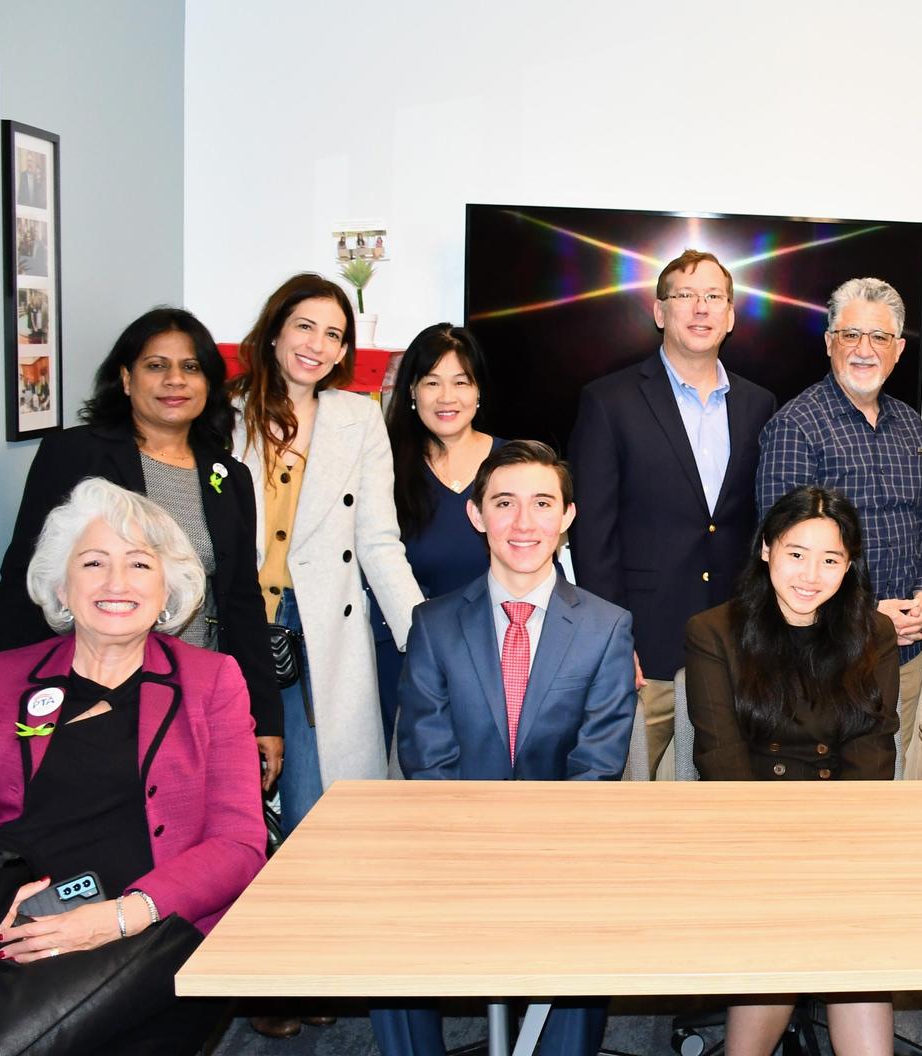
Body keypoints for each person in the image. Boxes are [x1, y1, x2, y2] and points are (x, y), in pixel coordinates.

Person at [0, 479, 264, 1050]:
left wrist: (118, 916)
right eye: (93, 562)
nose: (116, 583)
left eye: (139, 564)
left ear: (168, 590)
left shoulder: (211, 682)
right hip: (12, 924)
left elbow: (239, 845)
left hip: (148, 928)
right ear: (62, 586)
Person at [376, 441, 634, 1056]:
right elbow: (426, 758)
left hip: (564, 845)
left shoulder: (606, 626)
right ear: (476, 514)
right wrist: (478, 854)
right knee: (385, 923)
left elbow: (597, 765)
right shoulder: (434, 623)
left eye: (543, 504)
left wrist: (537, 855)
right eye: (504, 503)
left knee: (585, 908)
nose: (524, 524)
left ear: (568, 516)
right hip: (451, 842)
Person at [231, 273, 423, 1035]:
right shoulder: (225, 414)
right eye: (304, 327)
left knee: (318, 809)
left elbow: (378, 539)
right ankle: (260, 978)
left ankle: (314, 962)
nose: (317, 345)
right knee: (240, 809)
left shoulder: (356, 418)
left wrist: (423, 633)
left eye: (334, 335)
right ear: (274, 331)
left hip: (323, 637)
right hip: (235, 636)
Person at [0, 307, 284, 792]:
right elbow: (25, 578)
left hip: (196, 692)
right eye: (155, 365)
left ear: (209, 383)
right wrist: (5, 696)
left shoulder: (229, 476)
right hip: (88, 685)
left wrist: (263, 714)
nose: (174, 380)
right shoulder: (75, 454)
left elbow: (243, 601)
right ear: (125, 379)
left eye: (191, 367)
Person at [684, 485, 897, 1056]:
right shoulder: (715, 631)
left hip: (845, 829)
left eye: (831, 560)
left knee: (855, 939)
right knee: (780, 931)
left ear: (849, 567)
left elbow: (872, 754)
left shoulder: (872, 632)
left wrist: (839, 850)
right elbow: (721, 758)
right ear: (766, 551)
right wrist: (780, 853)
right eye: (795, 553)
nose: (810, 575)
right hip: (749, 832)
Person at [570, 250, 775, 779]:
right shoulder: (608, 401)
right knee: (619, 794)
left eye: (713, 297)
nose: (699, 308)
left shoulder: (760, 405)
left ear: (730, 315)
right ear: (660, 312)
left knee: (725, 805)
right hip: (644, 651)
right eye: (684, 296)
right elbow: (593, 535)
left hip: (733, 650)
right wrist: (612, 643)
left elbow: (761, 527)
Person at [757, 277, 922, 777]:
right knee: (830, 783)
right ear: (829, 342)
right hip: (827, 652)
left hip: (906, 649)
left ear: (898, 349)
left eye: (879, 337)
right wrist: (871, 614)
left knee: (888, 778)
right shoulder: (797, 425)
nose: (864, 349)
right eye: (850, 334)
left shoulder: (911, 425)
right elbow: (782, 550)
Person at [372, 323, 504, 747]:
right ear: (411, 391)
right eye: (432, 382)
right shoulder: (384, 467)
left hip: (500, 659)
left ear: (478, 390)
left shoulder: (514, 463)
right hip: (407, 660)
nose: (447, 398)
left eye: (460, 382)